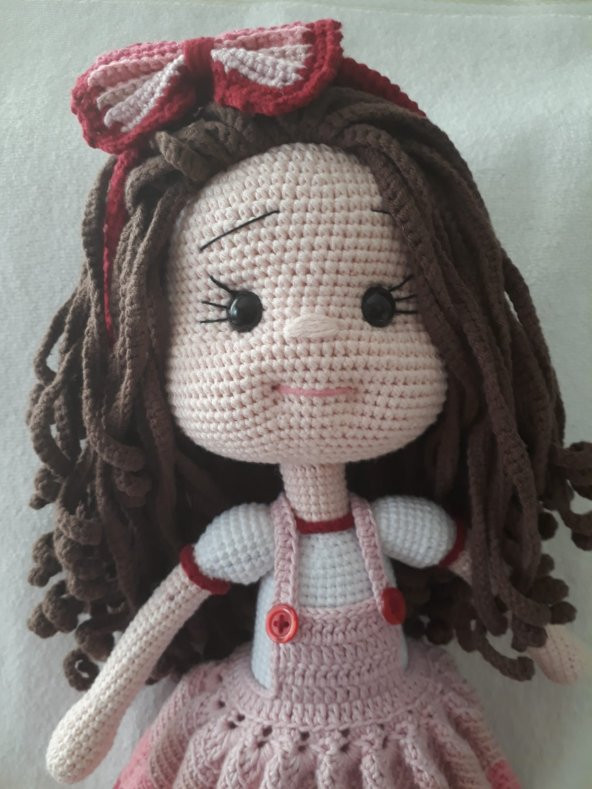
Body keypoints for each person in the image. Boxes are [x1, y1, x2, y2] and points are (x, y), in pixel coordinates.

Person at [27, 19, 591, 788]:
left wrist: (544, 634)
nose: (310, 338)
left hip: (398, 725)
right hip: (261, 729)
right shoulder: (247, 539)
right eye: (241, 312)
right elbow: (162, 616)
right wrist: (98, 709)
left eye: (381, 307)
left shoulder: (397, 524)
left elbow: (476, 566)